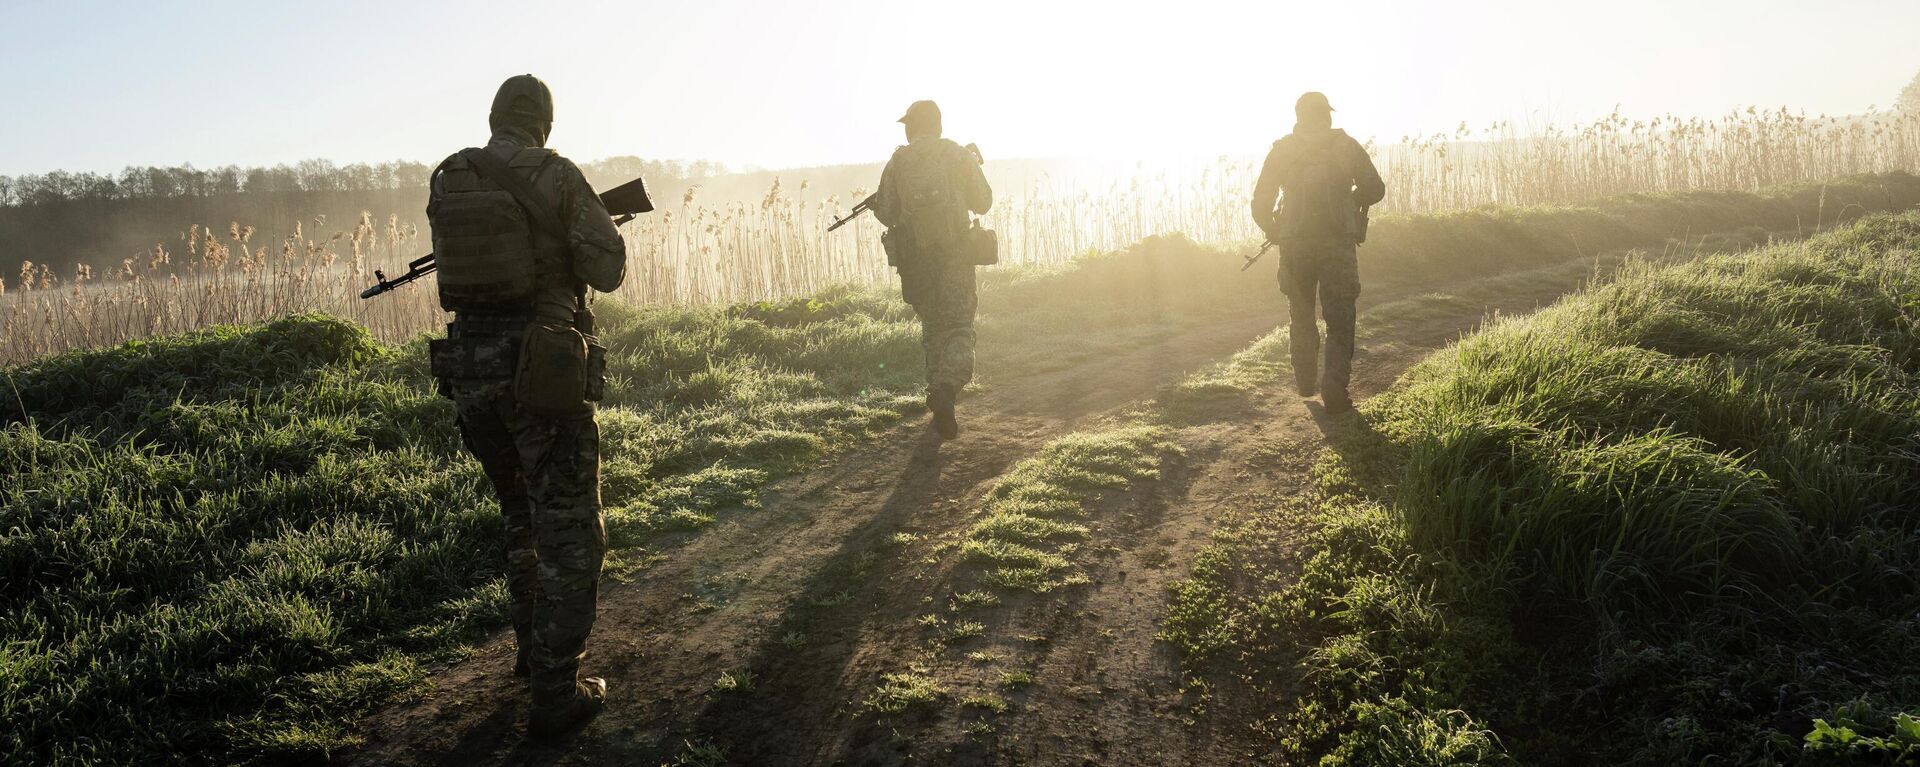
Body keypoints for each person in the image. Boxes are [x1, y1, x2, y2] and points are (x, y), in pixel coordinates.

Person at [425, 73, 625, 737]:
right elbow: (607, 267)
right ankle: (554, 693)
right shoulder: (557, 175)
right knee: (572, 535)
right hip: (543, 378)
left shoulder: (448, 176)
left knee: (521, 516)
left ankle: (529, 653)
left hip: (470, 378)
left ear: (492, 117)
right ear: (544, 121)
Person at [1250, 91, 1386, 414]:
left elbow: (1260, 203)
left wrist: (1274, 230)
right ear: (1325, 115)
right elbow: (1376, 188)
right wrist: (1351, 200)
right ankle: (1334, 385)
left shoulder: (1282, 150)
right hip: (1336, 246)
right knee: (1339, 316)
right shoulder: (1345, 145)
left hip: (1295, 247)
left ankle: (1306, 380)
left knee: (1300, 313)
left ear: (1298, 117)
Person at [871, 100, 994, 439]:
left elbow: (887, 212)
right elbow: (983, 201)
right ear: (938, 125)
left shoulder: (898, 161)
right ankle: (946, 390)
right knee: (959, 329)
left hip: (917, 263)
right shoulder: (957, 155)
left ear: (912, 127)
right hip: (955, 258)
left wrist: (879, 206)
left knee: (933, 331)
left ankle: (937, 395)